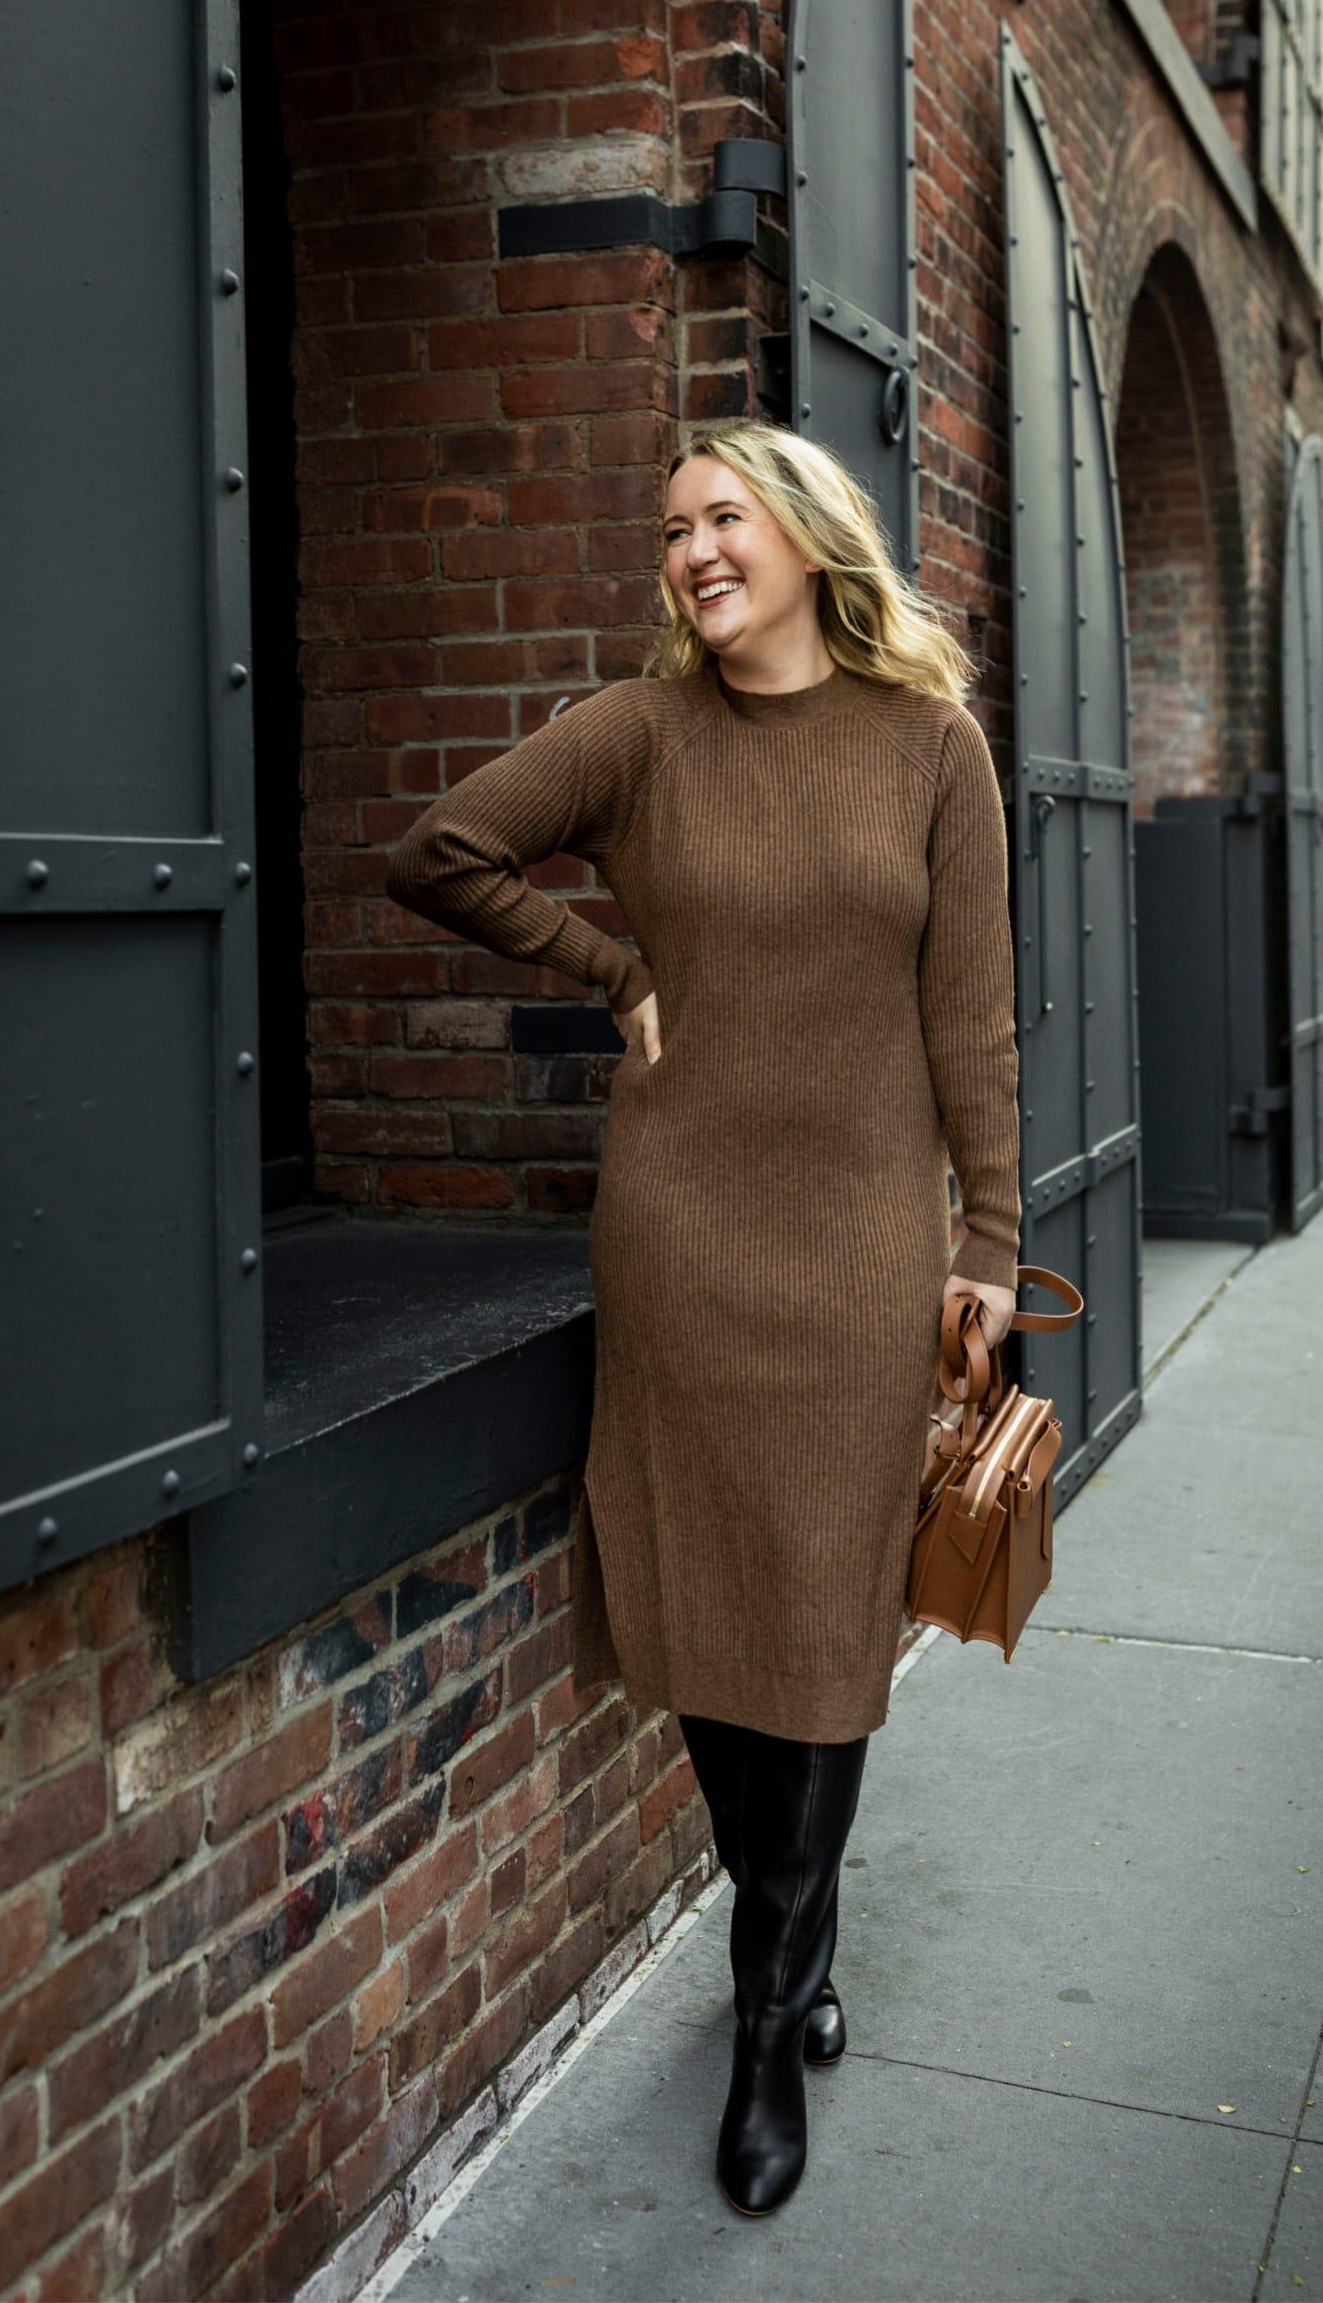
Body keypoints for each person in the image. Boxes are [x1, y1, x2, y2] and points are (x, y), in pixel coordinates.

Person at [384, 419, 1021, 2216]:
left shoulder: (929, 752)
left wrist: (989, 1235)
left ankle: (763, 2015)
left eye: (720, 518)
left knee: (822, 1618)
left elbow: (972, 1023)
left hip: (858, 1256)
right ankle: (794, 1946)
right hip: (681, 1243)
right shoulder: (639, 734)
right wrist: (612, 969)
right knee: (721, 1617)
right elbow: (440, 852)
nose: (689, 553)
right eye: (669, 530)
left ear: (810, 536)